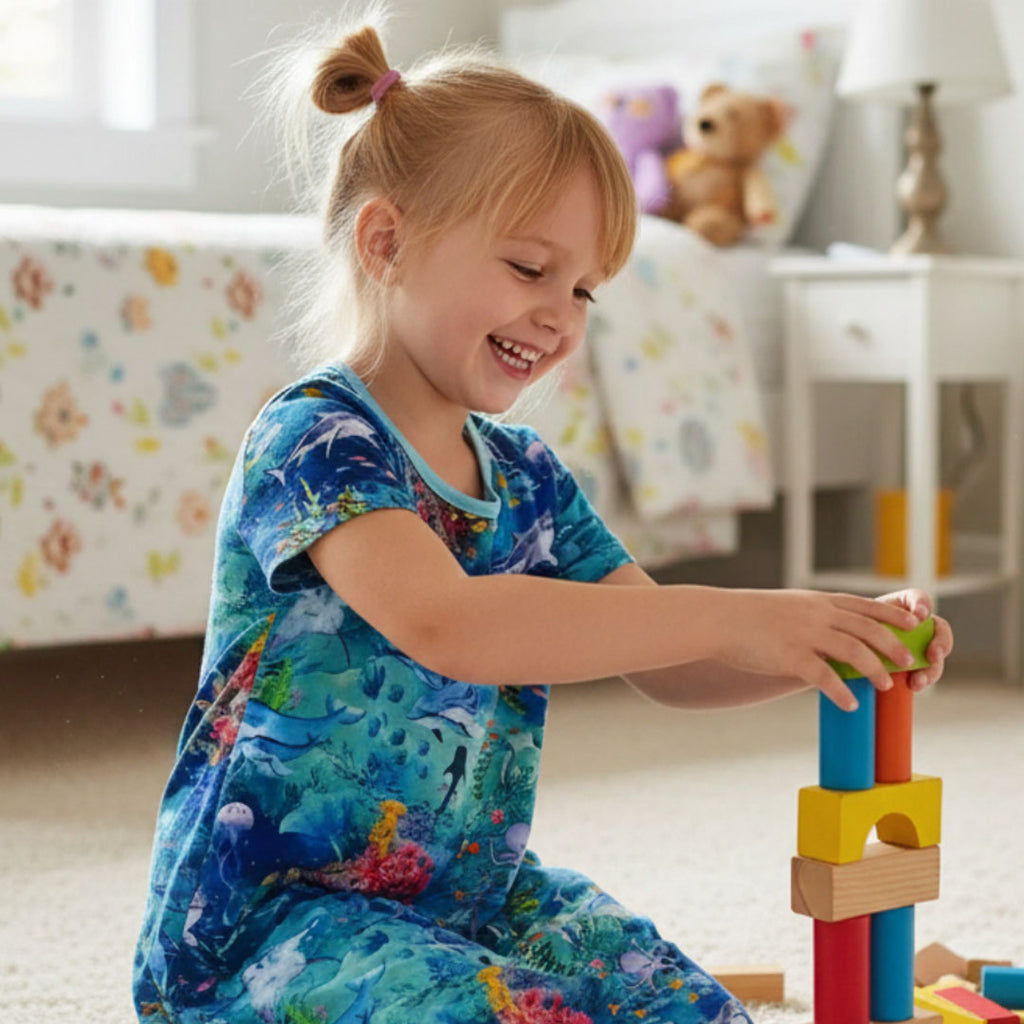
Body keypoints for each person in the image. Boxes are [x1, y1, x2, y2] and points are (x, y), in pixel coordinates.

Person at [132, 17, 953, 1024]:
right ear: (386, 241)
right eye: (528, 270)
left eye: (583, 291)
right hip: (265, 927)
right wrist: (747, 611)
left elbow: (668, 660)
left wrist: (828, 640)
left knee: (673, 998)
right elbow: (452, 621)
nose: (561, 316)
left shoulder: (528, 477)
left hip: (468, 895)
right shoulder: (316, 440)